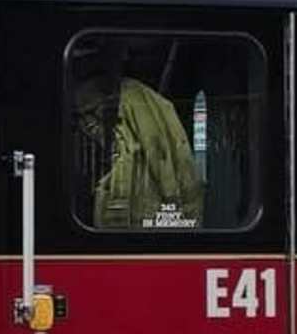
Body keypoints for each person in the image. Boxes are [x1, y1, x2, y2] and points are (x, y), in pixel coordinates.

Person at [75, 69, 204, 228]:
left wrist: (174, 203)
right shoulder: (94, 144)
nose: (87, 125)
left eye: (91, 113)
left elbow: (158, 152)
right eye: (80, 118)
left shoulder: (139, 105)